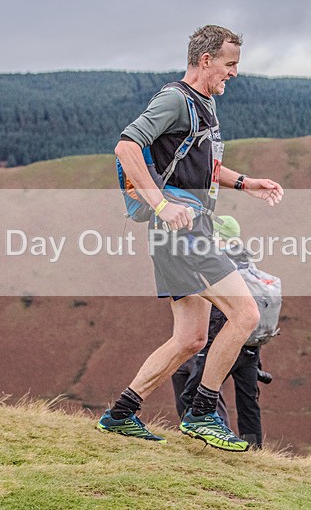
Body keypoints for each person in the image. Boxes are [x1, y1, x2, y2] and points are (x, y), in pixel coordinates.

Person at [97, 25, 283, 451]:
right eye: (230, 64)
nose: (234, 73)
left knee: (191, 338)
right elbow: (126, 147)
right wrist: (161, 205)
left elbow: (198, 167)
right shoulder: (175, 99)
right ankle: (202, 413)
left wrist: (246, 183)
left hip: (185, 230)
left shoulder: (203, 106)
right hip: (180, 232)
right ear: (206, 61)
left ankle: (121, 414)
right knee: (246, 315)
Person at [178, 215, 272, 450]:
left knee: (195, 393)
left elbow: (221, 314)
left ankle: (210, 442)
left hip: (224, 341)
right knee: (248, 403)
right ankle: (254, 450)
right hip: (251, 348)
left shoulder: (219, 265)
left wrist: (207, 345)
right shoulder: (248, 263)